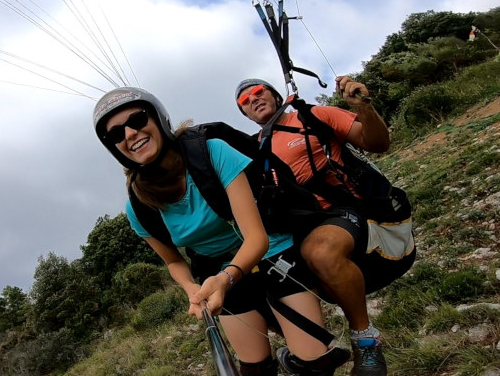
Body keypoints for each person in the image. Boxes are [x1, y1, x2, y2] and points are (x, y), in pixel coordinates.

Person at [93, 87, 350, 376]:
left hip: (270, 252)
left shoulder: (211, 152)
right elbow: (174, 261)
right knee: (255, 368)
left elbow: (256, 237)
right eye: (116, 134)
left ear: (158, 118)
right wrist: (192, 288)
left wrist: (226, 278)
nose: (129, 134)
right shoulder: (139, 206)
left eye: (138, 120)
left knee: (316, 364)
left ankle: (304, 351)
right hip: (215, 270)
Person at [234, 77, 391, 376]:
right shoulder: (252, 151)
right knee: (247, 289)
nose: (252, 99)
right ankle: (313, 354)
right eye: (244, 102)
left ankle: (366, 340)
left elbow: (377, 143)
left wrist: (363, 108)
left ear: (274, 94)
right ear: (245, 115)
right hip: (292, 227)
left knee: (319, 251)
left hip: (338, 211)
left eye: (257, 92)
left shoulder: (315, 116)